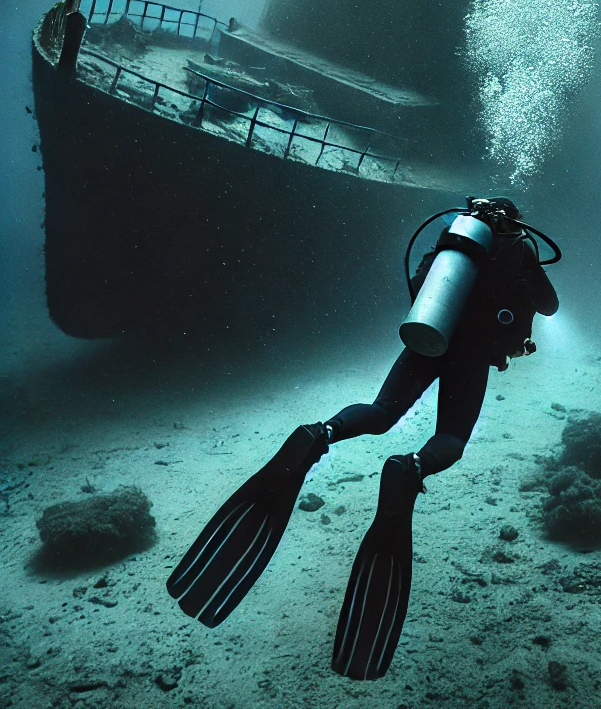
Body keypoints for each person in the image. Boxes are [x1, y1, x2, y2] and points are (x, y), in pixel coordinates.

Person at [166, 197, 559, 680]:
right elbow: (549, 304)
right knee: (451, 436)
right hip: (474, 351)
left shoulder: (454, 238)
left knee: (380, 412)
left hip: (427, 337)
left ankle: (320, 434)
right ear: (514, 219)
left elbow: (418, 285)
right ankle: (410, 468)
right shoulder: (519, 246)